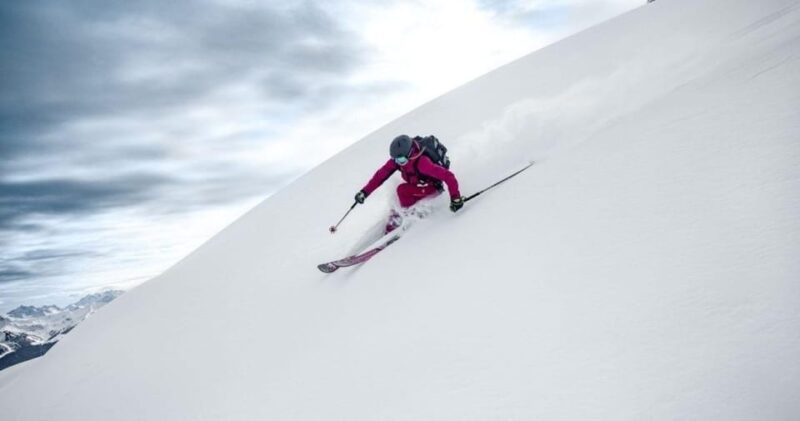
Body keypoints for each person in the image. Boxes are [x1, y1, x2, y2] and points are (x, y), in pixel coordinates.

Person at [354, 135, 464, 231]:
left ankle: (409, 221)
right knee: (398, 200)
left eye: (401, 160)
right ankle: (396, 224)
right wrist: (364, 192)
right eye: (395, 159)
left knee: (402, 190)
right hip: (420, 185)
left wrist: (456, 198)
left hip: (433, 188)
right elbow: (380, 176)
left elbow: (449, 176)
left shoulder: (422, 163)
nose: (398, 163)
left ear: (410, 153)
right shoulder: (398, 161)